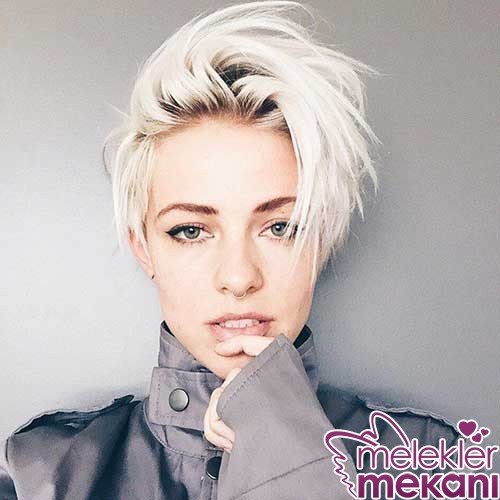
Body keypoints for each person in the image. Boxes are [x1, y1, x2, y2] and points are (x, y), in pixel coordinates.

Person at [1, 1, 473, 499]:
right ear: (144, 249)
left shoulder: (429, 465)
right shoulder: (40, 474)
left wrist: (294, 458)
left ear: (322, 241)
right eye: (190, 230)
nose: (239, 276)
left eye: (280, 227)